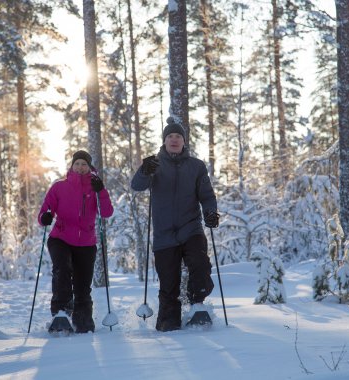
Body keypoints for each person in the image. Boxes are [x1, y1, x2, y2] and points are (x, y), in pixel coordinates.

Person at [131, 117, 220, 332]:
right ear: (164, 140)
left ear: (184, 141)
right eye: (170, 136)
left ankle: (198, 306)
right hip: (164, 235)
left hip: (191, 228)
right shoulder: (154, 164)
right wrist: (144, 170)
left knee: (200, 265)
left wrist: (210, 213)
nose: (174, 139)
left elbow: (206, 195)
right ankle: (167, 323)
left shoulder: (196, 166)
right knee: (168, 284)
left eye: (178, 136)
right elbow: (137, 186)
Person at [38, 150, 114, 333]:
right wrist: (46, 217)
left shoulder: (96, 188)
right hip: (60, 238)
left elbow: (106, 213)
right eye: (77, 164)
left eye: (84, 164)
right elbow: (44, 213)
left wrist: (101, 191)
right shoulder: (59, 187)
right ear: (72, 166)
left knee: (82, 283)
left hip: (87, 242)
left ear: (89, 167)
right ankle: (61, 313)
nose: (80, 167)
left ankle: (83, 320)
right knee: (62, 269)